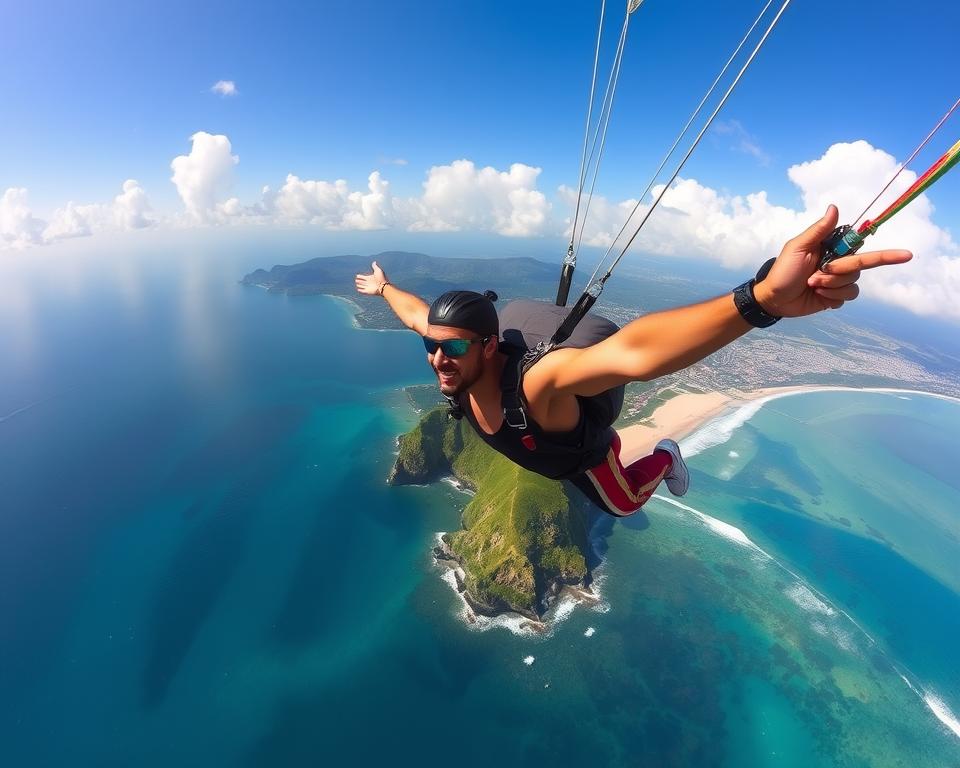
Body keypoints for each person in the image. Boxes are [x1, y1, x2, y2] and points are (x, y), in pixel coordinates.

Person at [354, 205, 912, 517]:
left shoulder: (538, 385)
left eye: (451, 348)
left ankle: (664, 457)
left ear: (489, 345)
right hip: (556, 436)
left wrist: (760, 301)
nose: (437, 358)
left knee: (621, 505)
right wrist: (385, 289)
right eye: (432, 347)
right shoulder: (448, 345)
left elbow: (635, 353)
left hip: (579, 455)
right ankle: (615, 440)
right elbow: (416, 314)